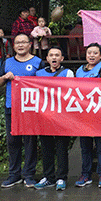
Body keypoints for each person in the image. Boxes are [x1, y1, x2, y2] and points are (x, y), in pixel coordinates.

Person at [0, 33, 42, 188]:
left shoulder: (38, 62)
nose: (21, 45)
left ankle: (29, 175)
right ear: (13, 46)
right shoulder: (7, 62)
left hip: (30, 108)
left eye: (24, 42)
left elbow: (44, 84)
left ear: (30, 44)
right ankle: (14, 175)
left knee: (30, 142)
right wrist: (5, 77)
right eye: (17, 43)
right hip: (12, 107)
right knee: (13, 141)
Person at [34, 47, 74, 191]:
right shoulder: (38, 74)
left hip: (62, 117)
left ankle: (61, 177)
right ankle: (48, 177)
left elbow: (71, 92)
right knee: (46, 148)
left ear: (62, 58)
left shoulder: (67, 73)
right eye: (51, 55)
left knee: (62, 148)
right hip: (44, 116)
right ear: (47, 59)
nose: (54, 57)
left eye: (57, 55)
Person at [75, 43, 101, 188]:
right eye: (89, 53)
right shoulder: (79, 70)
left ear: (100, 55)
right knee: (85, 147)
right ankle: (86, 174)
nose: (92, 55)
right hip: (83, 114)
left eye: (95, 53)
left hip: (99, 114)